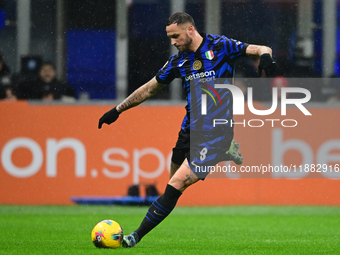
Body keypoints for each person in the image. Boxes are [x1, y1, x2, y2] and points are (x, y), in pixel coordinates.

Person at [98, 12, 277, 248]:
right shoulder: (178, 62)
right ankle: (226, 152)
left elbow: (261, 48)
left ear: (190, 29)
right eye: (170, 37)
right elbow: (150, 88)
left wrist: (266, 58)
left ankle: (135, 236)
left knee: (177, 184)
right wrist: (118, 110)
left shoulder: (221, 46)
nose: (172, 42)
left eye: (175, 36)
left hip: (215, 132)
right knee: (172, 180)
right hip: (189, 129)